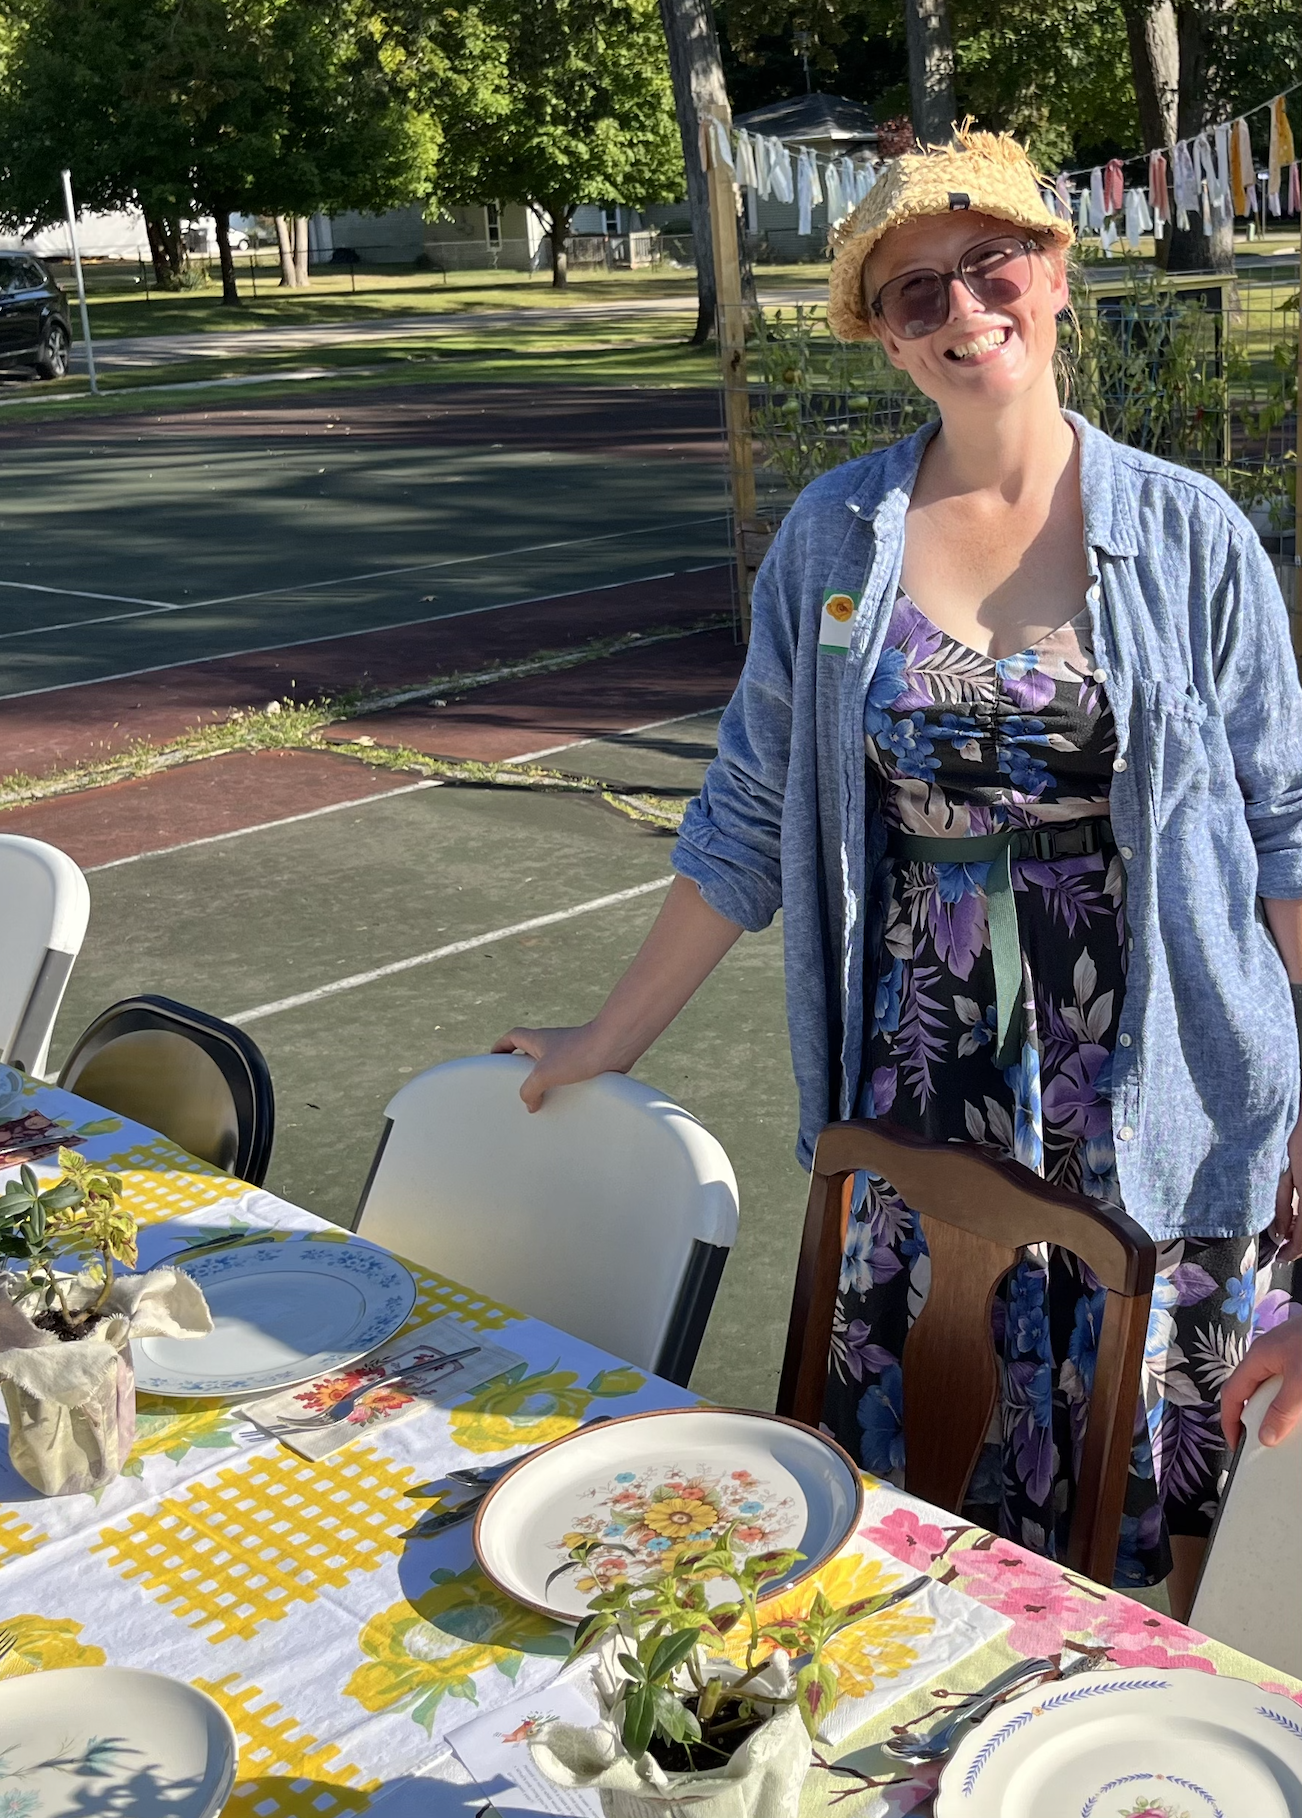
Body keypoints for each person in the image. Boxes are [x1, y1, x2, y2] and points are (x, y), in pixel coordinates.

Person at [495, 127, 1302, 1618]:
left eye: (990, 266)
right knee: (929, 1468)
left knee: (1142, 1502)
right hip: (925, 1078)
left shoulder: (1193, 538)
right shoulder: (833, 536)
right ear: (881, 333)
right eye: (914, 292)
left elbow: (1288, 840)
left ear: (1053, 274)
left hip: (1165, 1086)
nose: (962, 310)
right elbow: (747, 812)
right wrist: (605, 1038)